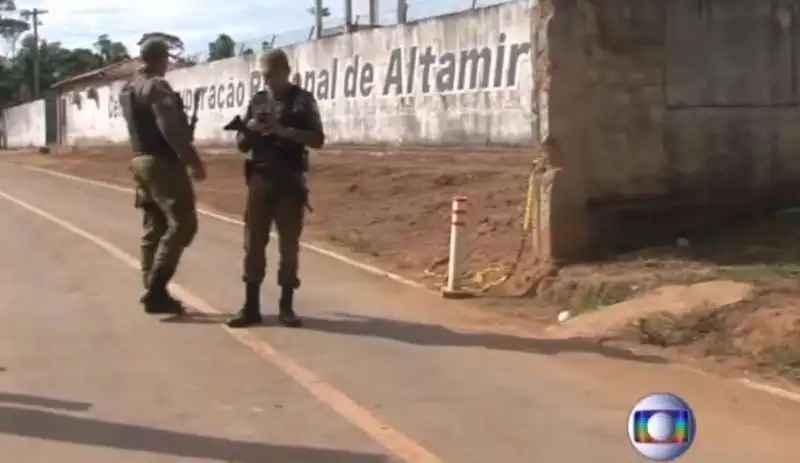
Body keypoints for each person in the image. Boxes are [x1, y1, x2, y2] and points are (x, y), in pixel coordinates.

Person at [227, 49, 325, 328]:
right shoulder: (258, 100)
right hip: (260, 179)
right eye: (264, 76)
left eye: (272, 75)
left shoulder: (302, 100)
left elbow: (318, 138)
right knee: (254, 243)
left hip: (289, 180)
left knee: (289, 246)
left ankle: (286, 306)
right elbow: (241, 144)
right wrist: (249, 130)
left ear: (285, 72)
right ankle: (251, 305)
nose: (268, 81)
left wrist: (285, 132)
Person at [119, 39, 207, 315]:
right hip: (161, 162)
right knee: (183, 224)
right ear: (161, 58)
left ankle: (152, 287)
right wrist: (192, 159)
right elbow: (168, 127)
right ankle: (156, 291)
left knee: (154, 226)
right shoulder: (156, 86)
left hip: (139, 160)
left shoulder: (128, 89)